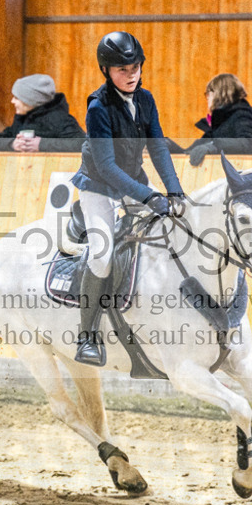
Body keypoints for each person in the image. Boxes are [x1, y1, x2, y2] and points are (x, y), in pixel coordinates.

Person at [70, 31, 185, 366]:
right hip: (99, 187)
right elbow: (105, 167)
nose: (131, 74)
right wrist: (150, 197)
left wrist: (174, 190)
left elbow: (158, 146)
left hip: (134, 181)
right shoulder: (98, 108)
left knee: (168, 235)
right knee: (103, 255)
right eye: (122, 69)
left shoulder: (146, 100)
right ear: (106, 71)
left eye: (135, 67)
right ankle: (87, 337)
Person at [0, 74, 86, 152]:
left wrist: (42, 144)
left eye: (17, 98)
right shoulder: (23, 117)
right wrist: (13, 144)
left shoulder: (59, 119)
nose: (12, 101)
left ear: (31, 100)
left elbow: (83, 144)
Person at [183, 73, 252, 166]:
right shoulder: (220, 120)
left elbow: (249, 145)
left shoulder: (241, 115)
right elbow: (193, 151)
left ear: (220, 94)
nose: (207, 98)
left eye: (208, 94)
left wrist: (214, 147)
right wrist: (169, 148)